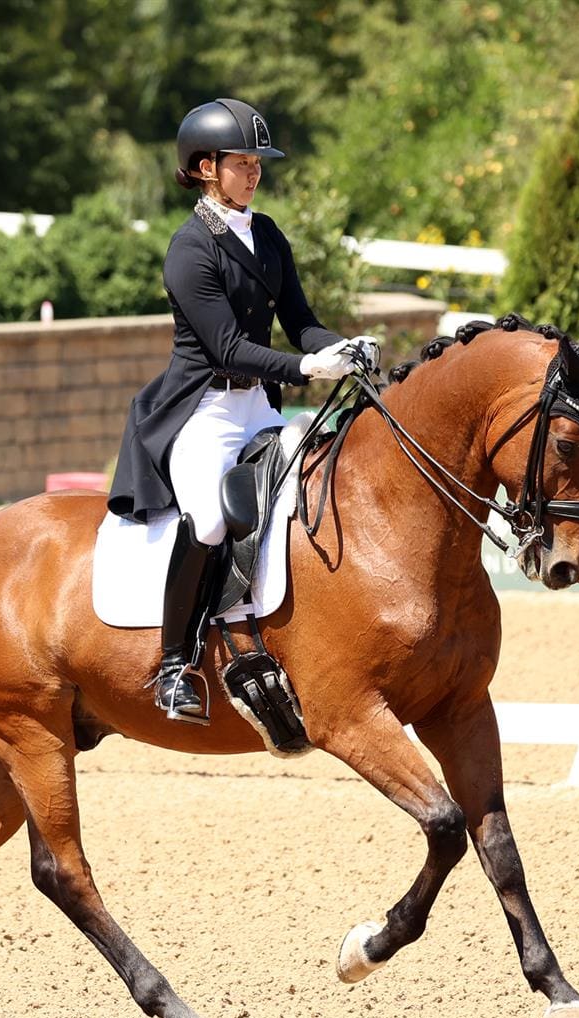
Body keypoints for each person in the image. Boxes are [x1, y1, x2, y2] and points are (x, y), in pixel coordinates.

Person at [107, 97, 378, 722]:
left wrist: (337, 347)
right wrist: (308, 368)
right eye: (241, 162)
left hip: (258, 405)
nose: (254, 172)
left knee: (320, 494)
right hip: (203, 410)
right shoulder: (189, 249)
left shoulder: (268, 234)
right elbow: (229, 346)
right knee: (207, 520)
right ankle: (174, 666)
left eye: (258, 162)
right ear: (206, 167)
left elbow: (300, 323)